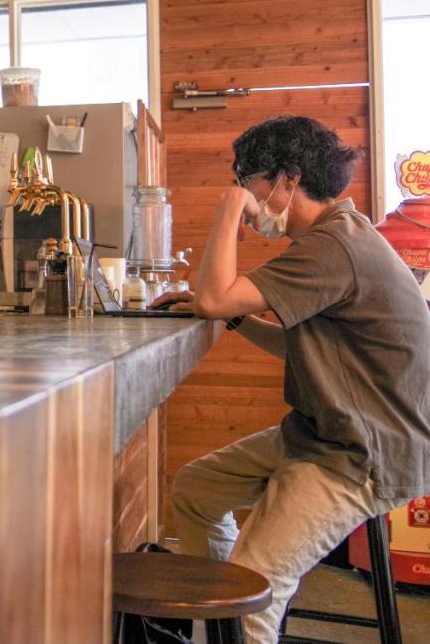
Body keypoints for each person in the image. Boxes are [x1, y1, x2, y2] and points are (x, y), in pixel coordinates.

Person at [151, 115, 430, 643]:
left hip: (360, 453)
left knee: (256, 585)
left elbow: (212, 295)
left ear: (288, 179)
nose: (244, 192)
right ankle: (220, 615)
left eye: (245, 178)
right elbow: (303, 348)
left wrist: (228, 209)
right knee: (195, 488)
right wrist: (234, 319)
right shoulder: (339, 238)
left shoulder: (333, 247)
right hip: (323, 433)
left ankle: (236, 606)